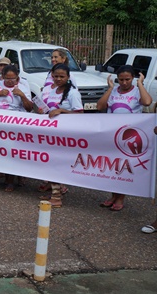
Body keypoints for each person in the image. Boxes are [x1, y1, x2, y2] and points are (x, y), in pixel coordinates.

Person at [96, 65, 152, 211]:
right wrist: (110, 88)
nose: (124, 82)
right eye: (121, 79)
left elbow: (147, 102)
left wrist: (140, 84)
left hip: (129, 136)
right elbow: (100, 106)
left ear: (133, 78)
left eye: (127, 79)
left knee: (124, 167)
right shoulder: (114, 91)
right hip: (112, 134)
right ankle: (113, 196)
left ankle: (120, 197)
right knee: (113, 166)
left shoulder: (137, 91)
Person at [0, 65, 34, 190]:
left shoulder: (22, 87)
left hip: (14, 125)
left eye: (13, 78)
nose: (10, 81)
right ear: (3, 77)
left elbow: (29, 107)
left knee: (10, 152)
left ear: (17, 77)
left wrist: (22, 95)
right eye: (7, 78)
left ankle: (10, 180)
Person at [40, 63, 84, 207]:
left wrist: (62, 111)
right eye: (55, 76)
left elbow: (80, 114)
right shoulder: (52, 90)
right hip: (50, 133)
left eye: (61, 76)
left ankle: (56, 197)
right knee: (50, 162)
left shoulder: (73, 93)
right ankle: (57, 190)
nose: (58, 79)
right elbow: (50, 109)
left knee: (55, 163)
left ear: (68, 77)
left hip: (64, 135)